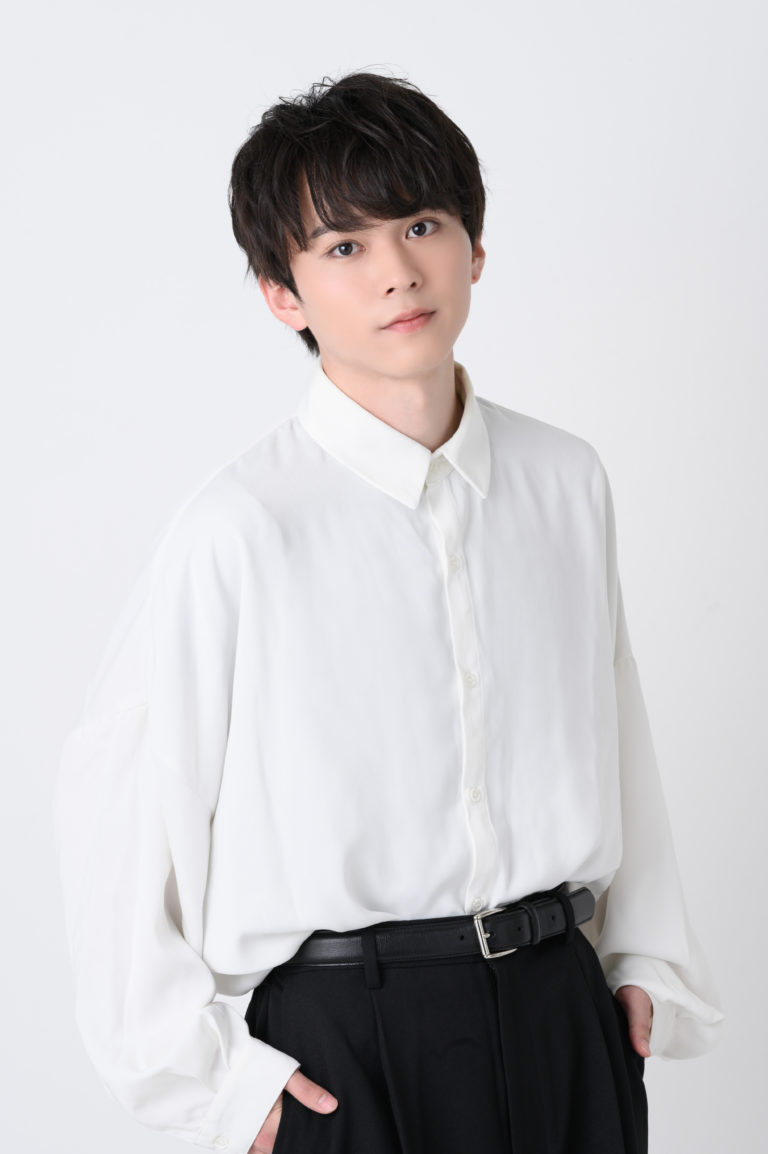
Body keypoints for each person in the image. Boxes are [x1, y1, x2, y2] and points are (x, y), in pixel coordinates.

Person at [55, 71, 724, 1154]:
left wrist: (643, 955)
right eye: (344, 246)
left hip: (563, 1015)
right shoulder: (242, 526)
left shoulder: (565, 481)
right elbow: (119, 803)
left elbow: (612, 720)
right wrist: (211, 1079)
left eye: (421, 225)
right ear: (283, 293)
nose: (398, 272)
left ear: (474, 246)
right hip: (349, 1045)